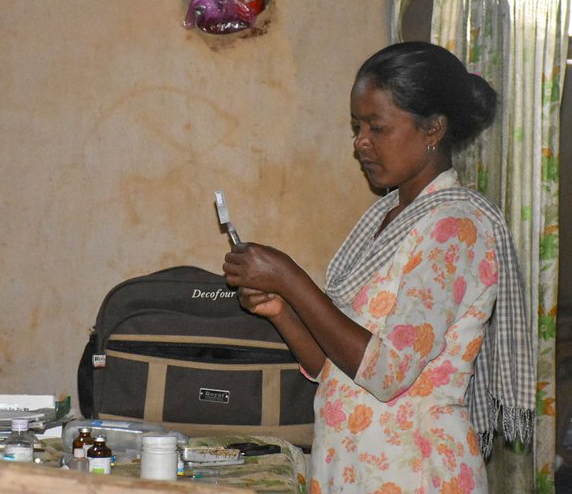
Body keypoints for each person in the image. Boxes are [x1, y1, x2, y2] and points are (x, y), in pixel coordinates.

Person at [222, 42, 535, 493]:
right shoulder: (387, 218)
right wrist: (281, 308)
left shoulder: (455, 228)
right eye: (356, 126)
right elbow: (335, 367)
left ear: (433, 129)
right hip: (354, 466)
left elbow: (387, 374)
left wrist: (289, 276)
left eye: (377, 127)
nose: (360, 142)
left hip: (415, 471)